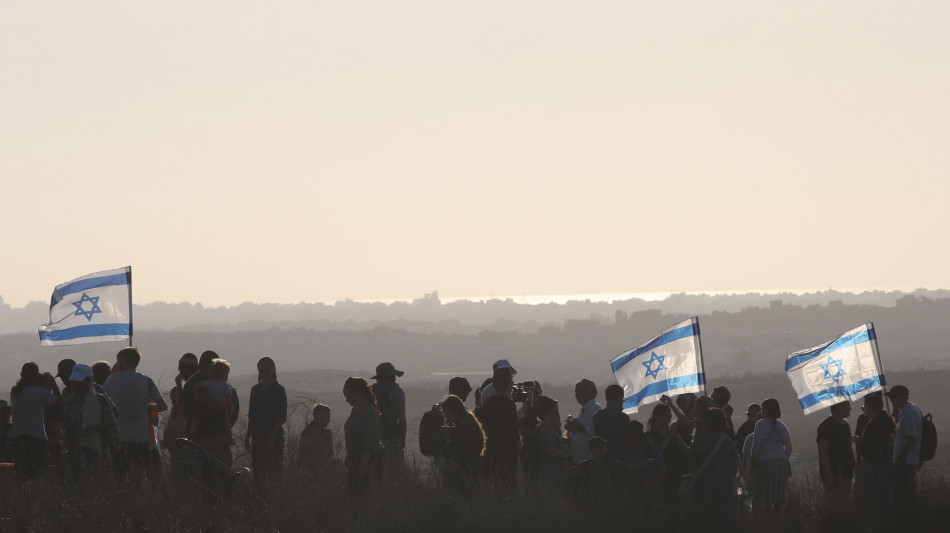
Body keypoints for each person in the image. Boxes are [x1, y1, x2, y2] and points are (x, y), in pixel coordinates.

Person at [102, 347, 167, 477]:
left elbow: (103, 403)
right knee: (138, 476)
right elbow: (162, 406)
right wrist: (147, 406)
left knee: (120, 477)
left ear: (122, 362)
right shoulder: (146, 381)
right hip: (141, 439)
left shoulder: (111, 380)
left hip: (119, 438)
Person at [62, 364, 118, 488]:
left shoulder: (101, 401)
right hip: (76, 459)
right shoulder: (70, 403)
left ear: (89, 381)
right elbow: (68, 431)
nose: (76, 385)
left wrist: (96, 428)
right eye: (74, 382)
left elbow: (113, 429)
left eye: (79, 381)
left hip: (98, 458)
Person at [686, 408, 739, 533]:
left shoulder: (700, 441)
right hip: (726, 492)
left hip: (703, 491)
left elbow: (691, 465)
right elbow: (734, 468)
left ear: (706, 423)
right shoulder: (728, 442)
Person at [186, 350, 239, 465]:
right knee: (221, 471)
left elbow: (186, 410)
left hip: (198, 438)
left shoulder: (191, 384)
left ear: (200, 365)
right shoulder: (224, 385)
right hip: (219, 436)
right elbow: (232, 410)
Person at [10, 362, 61, 479]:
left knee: (22, 475)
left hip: (18, 440)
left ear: (21, 374)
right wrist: (52, 383)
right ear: (35, 375)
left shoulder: (15, 392)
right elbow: (58, 402)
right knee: (38, 474)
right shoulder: (40, 393)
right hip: (36, 439)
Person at [245, 356, 287, 495]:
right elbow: (252, 415)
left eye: (267, 369)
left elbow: (281, 416)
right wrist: (248, 437)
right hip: (258, 436)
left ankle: (276, 501)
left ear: (273, 370)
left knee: (274, 471)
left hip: (273, 438)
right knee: (258, 472)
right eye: (261, 369)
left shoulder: (279, 390)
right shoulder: (255, 390)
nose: (264, 372)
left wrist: (272, 437)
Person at [854, 392, 895, 530]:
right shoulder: (887, 421)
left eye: (865, 405)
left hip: (873, 468)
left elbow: (866, 447)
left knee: (872, 502)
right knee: (884, 501)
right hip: (886, 465)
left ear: (869, 407)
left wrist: (857, 441)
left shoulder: (872, 425)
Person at [885, 385, 922, 528]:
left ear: (903, 397)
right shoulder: (905, 412)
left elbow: (912, 438)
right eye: (890, 397)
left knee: (903, 497)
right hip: (904, 462)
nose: (891, 400)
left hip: (905, 463)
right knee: (906, 496)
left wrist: (900, 458)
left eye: (893, 397)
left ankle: (907, 525)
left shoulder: (910, 413)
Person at [343, 377, 385, 500]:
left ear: (357, 394)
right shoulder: (356, 410)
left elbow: (370, 441)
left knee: (365, 498)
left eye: (348, 396)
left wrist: (364, 464)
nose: (346, 400)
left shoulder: (368, 413)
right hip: (355, 461)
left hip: (367, 463)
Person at [750, 398, 792, 517]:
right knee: (779, 494)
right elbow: (789, 446)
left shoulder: (760, 424)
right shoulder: (782, 426)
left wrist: (753, 464)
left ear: (766, 410)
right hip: (780, 463)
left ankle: (762, 520)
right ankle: (778, 518)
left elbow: (756, 446)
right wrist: (785, 459)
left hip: (764, 463)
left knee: (763, 494)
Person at [480, 366, 520, 492]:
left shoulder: (487, 404)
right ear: (508, 385)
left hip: (491, 452)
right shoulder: (509, 405)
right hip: (506, 453)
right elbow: (513, 432)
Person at [440, 394, 486, 493]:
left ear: (455, 411)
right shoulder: (464, 422)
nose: (445, 417)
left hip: (466, 474)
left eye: (447, 413)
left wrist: (468, 476)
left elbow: (471, 453)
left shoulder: (466, 427)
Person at [164, 353, 199, 475]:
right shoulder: (200, 385)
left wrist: (178, 386)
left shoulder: (191, 388)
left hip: (187, 438)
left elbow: (181, 410)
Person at [644, 402, 688, 497]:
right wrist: (668, 438)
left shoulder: (672, 432)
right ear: (656, 417)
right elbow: (654, 456)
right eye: (665, 416)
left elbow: (686, 451)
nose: (668, 419)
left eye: (669, 416)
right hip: (660, 479)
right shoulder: (650, 436)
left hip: (676, 476)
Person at [568, 436, 624, 507]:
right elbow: (570, 473)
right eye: (600, 448)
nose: (604, 450)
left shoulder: (612, 463)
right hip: (591, 503)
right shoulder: (585, 465)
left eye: (604, 447)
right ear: (592, 450)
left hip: (609, 503)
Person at [370, 362, 407, 470]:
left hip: (372, 438)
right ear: (391, 376)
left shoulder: (370, 392)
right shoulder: (396, 391)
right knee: (394, 472)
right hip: (392, 437)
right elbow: (402, 419)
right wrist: (402, 442)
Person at [621, 420, 666, 504]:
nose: (629, 440)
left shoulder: (649, 449)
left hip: (650, 495)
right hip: (632, 495)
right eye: (627, 438)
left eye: (631, 437)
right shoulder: (627, 449)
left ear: (638, 436)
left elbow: (662, 470)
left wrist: (645, 485)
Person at [816, 401, 855, 499]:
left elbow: (848, 448)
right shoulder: (825, 426)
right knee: (835, 501)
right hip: (834, 473)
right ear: (839, 407)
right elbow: (823, 451)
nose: (850, 409)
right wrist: (829, 472)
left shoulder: (846, 426)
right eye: (847, 406)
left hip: (846, 472)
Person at [532, 396, 566, 496]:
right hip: (550, 471)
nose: (556, 413)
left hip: (541, 470)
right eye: (554, 410)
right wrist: (565, 456)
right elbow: (552, 452)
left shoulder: (538, 428)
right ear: (548, 411)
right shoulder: (549, 430)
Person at [196, 359, 235, 445]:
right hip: (220, 410)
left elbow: (197, 387)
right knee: (226, 423)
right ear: (223, 375)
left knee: (195, 420)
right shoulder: (225, 387)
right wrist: (231, 410)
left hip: (206, 410)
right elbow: (229, 401)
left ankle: (191, 437)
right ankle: (230, 438)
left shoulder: (206, 383)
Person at [564, 379, 602, 464]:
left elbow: (593, 431)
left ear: (588, 392)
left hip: (588, 458)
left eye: (578, 391)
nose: (576, 395)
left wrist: (576, 425)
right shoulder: (585, 409)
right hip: (580, 458)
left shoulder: (595, 408)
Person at [593, 384, 630, 461]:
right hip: (619, 460)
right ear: (619, 398)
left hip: (601, 459)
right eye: (623, 399)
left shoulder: (597, 417)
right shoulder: (623, 418)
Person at [298, 404, 335, 475]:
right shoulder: (308, 433)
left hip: (325, 473)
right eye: (327, 417)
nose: (329, 420)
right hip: (312, 473)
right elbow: (304, 456)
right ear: (319, 417)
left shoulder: (325, 434)